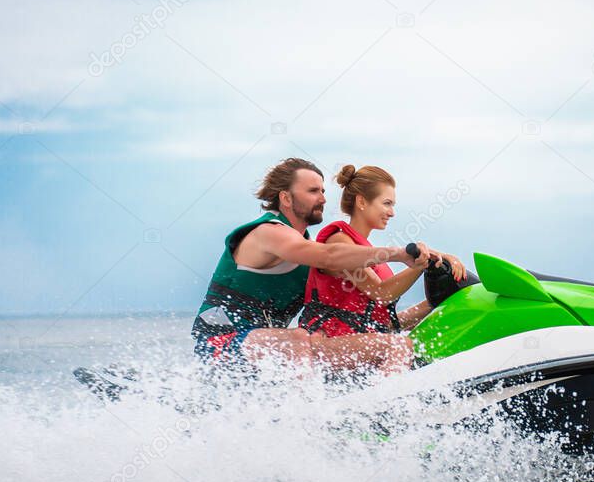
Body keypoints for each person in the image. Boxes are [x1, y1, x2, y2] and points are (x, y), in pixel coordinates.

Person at [191, 157, 446, 374]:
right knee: (299, 338)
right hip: (220, 340)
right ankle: (310, 420)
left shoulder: (306, 248)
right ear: (286, 198)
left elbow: (366, 311)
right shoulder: (269, 233)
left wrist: (434, 298)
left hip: (267, 348)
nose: (323, 198)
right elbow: (329, 256)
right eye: (313, 191)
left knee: (382, 343)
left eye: (323, 191)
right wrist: (398, 253)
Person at [299, 165, 466, 339]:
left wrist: (433, 303)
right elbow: (381, 293)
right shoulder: (339, 241)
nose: (392, 213)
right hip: (327, 346)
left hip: (362, 345)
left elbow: (385, 325)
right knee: (402, 348)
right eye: (387, 203)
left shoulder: (373, 257)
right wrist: (422, 264)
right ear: (362, 202)